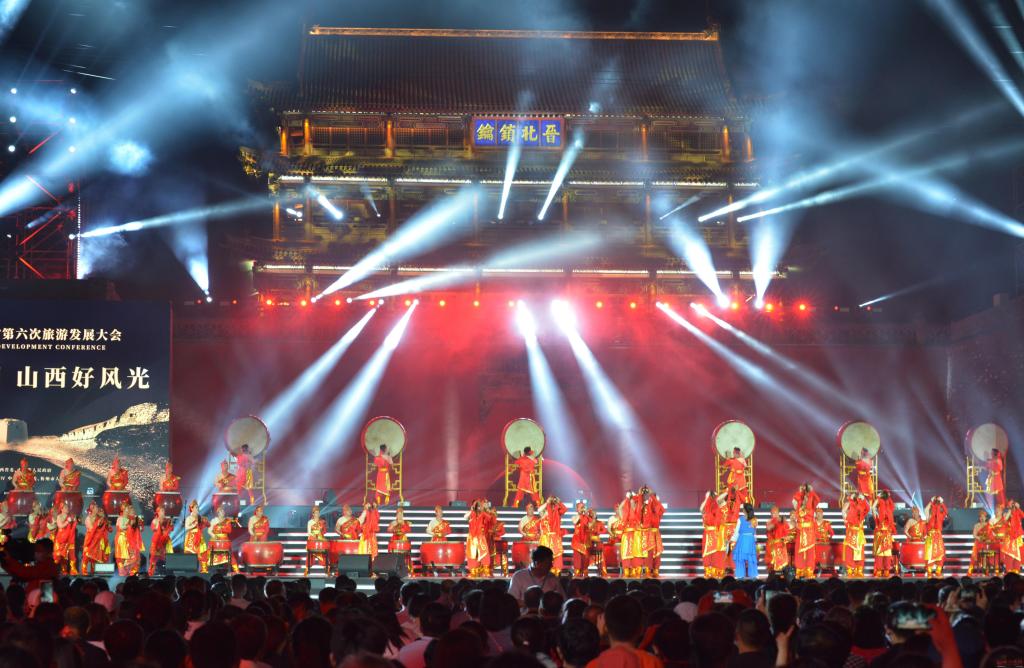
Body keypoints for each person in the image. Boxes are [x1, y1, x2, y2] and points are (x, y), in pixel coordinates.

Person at [588, 595, 663, 667]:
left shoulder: (594, 664)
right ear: (641, 628)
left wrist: (599, 636)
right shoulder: (652, 662)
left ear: (605, 627)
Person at [701, 491, 728, 578]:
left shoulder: (718, 506)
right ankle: (713, 572)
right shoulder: (709, 508)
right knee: (711, 554)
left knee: (716, 554)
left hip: (717, 532)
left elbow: (719, 499)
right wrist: (727, 491)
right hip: (713, 533)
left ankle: (715, 572)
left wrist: (727, 491)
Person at [791, 487, 817, 579]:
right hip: (801, 531)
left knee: (810, 552)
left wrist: (811, 491)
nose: (805, 497)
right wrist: (800, 491)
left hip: (809, 531)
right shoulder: (798, 506)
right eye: (804, 495)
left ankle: (809, 571)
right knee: (799, 551)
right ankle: (800, 570)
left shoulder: (812, 505)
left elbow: (816, 499)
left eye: (807, 495)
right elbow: (794, 501)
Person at [640, 485, 665, 576]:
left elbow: (661, 508)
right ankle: (648, 570)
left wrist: (652, 496)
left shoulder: (658, 509)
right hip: (648, 532)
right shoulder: (645, 508)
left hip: (656, 533)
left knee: (657, 552)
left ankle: (656, 570)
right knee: (649, 552)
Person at [843, 492, 870, 577]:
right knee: (849, 552)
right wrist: (850, 501)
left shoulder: (861, 510)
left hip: (859, 534)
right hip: (851, 533)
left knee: (860, 553)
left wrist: (864, 499)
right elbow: (843, 511)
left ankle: (859, 569)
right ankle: (850, 569)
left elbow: (867, 509)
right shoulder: (849, 507)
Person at [465, 498, 493, 577]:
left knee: (484, 553)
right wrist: (471, 510)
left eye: (478, 505)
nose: (477, 507)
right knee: (471, 554)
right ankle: (473, 570)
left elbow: (489, 518)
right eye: (476, 506)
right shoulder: (471, 514)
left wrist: (484, 510)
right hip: (472, 538)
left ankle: (486, 570)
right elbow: (465, 517)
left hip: (480, 537)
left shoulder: (483, 514)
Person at [81, 501, 110, 575]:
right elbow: (91, 529)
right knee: (87, 554)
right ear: (92, 509)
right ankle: (84, 570)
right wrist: (97, 523)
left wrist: (103, 519)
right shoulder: (88, 518)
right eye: (96, 507)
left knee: (95, 555)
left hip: (97, 539)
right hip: (90, 538)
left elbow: (107, 528)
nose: (98, 509)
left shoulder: (98, 518)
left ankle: (93, 571)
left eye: (97, 507)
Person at [114, 504, 143, 576]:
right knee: (124, 557)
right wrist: (130, 524)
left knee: (135, 558)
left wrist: (139, 524)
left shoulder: (134, 519)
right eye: (130, 510)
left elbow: (139, 529)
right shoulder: (122, 518)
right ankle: (124, 572)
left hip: (132, 541)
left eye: (133, 511)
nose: (133, 512)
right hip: (124, 540)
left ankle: (132, 574)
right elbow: (122, 527)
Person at [730, 502, 758, 578]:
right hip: (750, 540)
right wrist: (755, 541)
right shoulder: (754, 519)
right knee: (751, 559)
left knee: (740, 559)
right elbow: (754, 532)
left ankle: (739, 575)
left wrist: (732, 540)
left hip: (742, 540)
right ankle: (753, 575)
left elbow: (736, 532)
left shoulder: (740, 519)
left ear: (744, 510)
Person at [872, 490, 896, 578]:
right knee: (879, 554)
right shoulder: (877, 515)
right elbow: (873, 507)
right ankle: (878, 569)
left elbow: (892, 506)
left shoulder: (890, 515)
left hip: (887, 536)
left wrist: (888, 497)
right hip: (880, 535)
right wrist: (878, 498)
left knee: (887, 553)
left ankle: (886, 570)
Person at [208, 505, 239, 572]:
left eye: (223, 511)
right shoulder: (214, 520)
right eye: (221, 511)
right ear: (218, 513)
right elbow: (209, 531)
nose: (222, 512)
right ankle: (210, 570)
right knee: (210, 553)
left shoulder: (227, 521)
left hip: (224, 541)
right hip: (215, 541)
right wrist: (214, 536)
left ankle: (236, 570)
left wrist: (221, 529)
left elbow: (229, 530)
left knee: (230, 554)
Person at [923, 495, 948, 577]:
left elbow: (946, 512)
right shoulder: (929, 516)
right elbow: (926, 509)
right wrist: (931, 501)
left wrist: (942, 503)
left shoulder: (940, 516)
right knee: (929, 554)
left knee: (940, 555)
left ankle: (938, 571)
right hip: (930, 537)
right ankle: (929, 572)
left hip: (938, 538)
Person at [53, 499, 79, 575]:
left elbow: (74, 525)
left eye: (67, 507)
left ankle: (73, 569)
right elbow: (60, 526)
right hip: (62, 539)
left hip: (70, 538)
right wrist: (68, 521)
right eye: (65, 507)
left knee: (72, 554)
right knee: (61, 555)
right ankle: (63, 570)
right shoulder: (59, 516)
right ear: (61, 509)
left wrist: (74, 521)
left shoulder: (70, 516)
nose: (67, 509)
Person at [183, 499, 210, 573]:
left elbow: (207, 525)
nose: (197, 509)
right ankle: (189, 570)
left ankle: (204, 570)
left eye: (198, 507)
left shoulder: (200, 518)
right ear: (191, 508)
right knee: (190, 554)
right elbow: (186, 527)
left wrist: (206, 522)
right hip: (191, 538)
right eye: (196, 507)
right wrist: (194, 524)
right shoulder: (189, 518)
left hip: (199, 536)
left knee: (203, 553)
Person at [969, 509, 996, 576]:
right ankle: (973, 572)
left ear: (985, 518)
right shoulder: (976, 525)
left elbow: (991, 535)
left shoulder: (988, 525)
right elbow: (974, 535)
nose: (982, 518)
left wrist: (987, 539)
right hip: (977, 544)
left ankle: (984, 572)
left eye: (983, 516)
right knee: (975, 558)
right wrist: (979, 538)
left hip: (985, 544)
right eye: (980, 517)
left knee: (984, 558)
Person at [149, 505, 173, 576]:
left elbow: (171, 528)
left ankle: (167, 573)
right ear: (158, 512)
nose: (164, 512)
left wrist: (170, 523)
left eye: (164, 511)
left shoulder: (167, 520)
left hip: (164, 541)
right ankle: (151, 573)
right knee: (154, 558)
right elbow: (154, 529)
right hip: (157, 541)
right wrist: (160, 523)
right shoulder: (155, 520)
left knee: (166, 557)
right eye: (162, 511)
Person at [765, 504, 790, 575]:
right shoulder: (769, 522)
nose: (774, 514)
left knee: (782, 563)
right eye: (773, 513)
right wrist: (776, 521)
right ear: (771, 514)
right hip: (772, 546)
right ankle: (773, 576)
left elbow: (787, 531)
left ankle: (782, 576)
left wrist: (786, 537)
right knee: (773, 565)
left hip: (781, 544)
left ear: (778, 513)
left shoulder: (783, 521)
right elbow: (769, 528)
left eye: (776, 513)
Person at [387, 507, 413, 574]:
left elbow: (408, 530)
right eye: (398, 514)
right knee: (394, 554)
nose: (400, 515)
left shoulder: (405, 522)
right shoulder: (394, 522)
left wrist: (403, 526)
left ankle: (405, 568)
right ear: (396, 515)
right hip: (395, 539)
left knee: (404, 554)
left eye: (401, 514)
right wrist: (393, 528)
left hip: (403, 539)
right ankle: (393, 568)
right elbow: (389, 530)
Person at [571, 502, 592, 578]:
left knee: (585, 559)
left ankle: (585, 574)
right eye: (580, 507)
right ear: (577, 509)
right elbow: (575, 521)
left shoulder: (586, 517)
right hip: (577, 541)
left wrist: (586, 515)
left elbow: (590, 526)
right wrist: (580, 514)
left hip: (585, 541)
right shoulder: (574, 516)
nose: (582, 508)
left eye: (583, 507)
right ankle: (577, 574)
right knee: (577, 559)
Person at [305, 505, 328, 576]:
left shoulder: (322, 522)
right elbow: (309, 532)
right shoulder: (310, 522)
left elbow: (324, 531)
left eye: (318, 513)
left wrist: (320, 533)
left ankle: (326, 568)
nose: (317, 514)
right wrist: (314, 535)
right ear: (313, 514)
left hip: (320, 539)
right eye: (316, 513)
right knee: (310, 552)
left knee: (324, 549)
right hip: (312, 539)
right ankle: (307, 569)